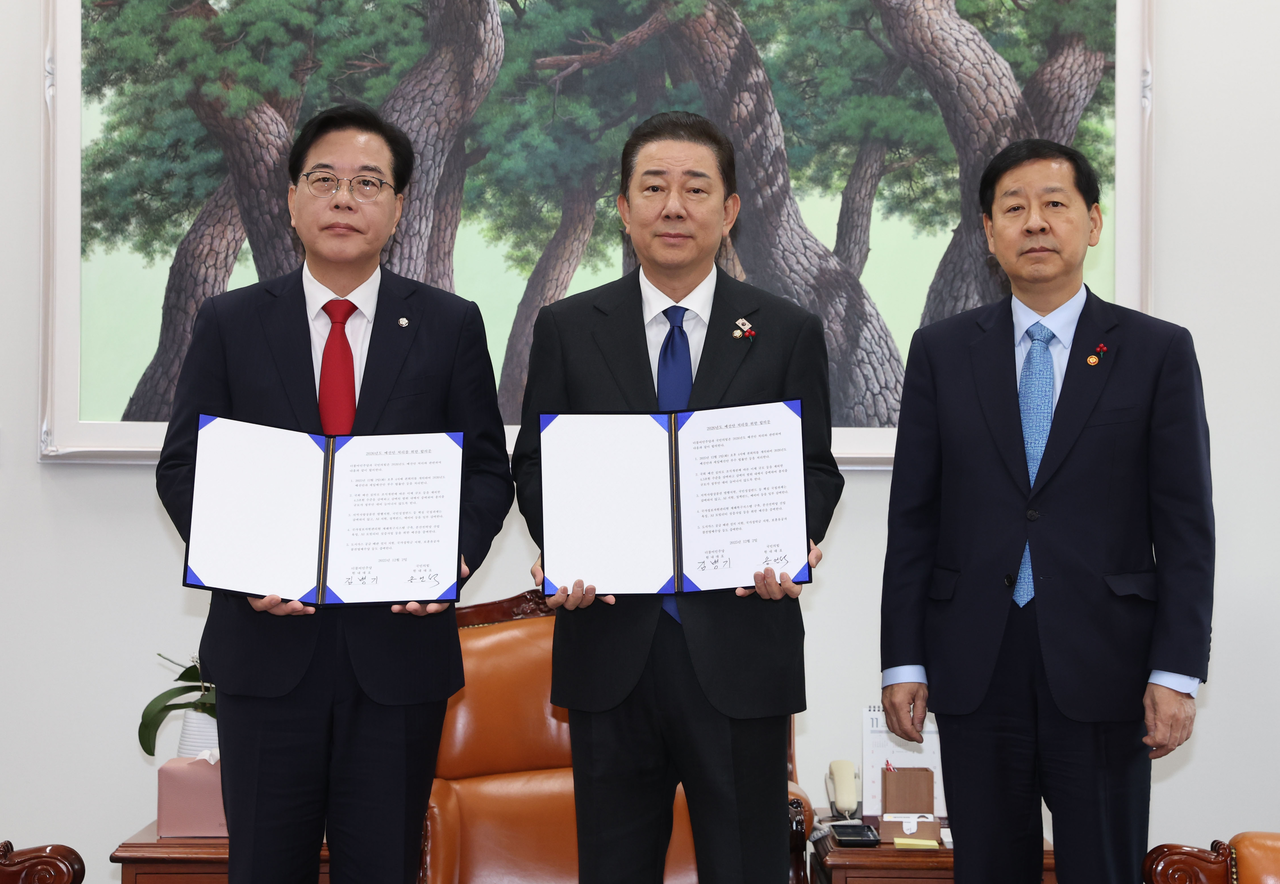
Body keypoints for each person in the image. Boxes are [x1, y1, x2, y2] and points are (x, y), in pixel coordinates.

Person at [156, 104, 513, 884]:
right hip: (265, 657)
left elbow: (488, 470)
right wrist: (242, 566)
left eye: (368, 183)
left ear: (399, 206)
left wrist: (451, 557)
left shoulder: (449, 325)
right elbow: (184, 467)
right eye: (324, 180)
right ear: (291, 200)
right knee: (264, 868)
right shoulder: (231, 322)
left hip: (397, 660)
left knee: (383, 868)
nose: (344, 199)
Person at [511, 111, 844, 884]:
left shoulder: (786, 330)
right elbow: (536, 465)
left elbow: (814, 469)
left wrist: (789, 542)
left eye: (696, 188)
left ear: (729, 210)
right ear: (623, 209)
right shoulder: (567, 328)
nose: (673, 206)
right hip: (609, 647)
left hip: (741, 647)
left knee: (748, 866)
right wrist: (566, 550)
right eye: (653, 187)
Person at [880, 139, 1214, 883]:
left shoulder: (1155, 351)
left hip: (1107, 664)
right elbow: (914, 520)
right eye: (1014, 208)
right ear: (988, 231)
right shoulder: (941, 352)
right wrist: (902, 659)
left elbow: (1186, 528)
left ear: (1092, 223)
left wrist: (1177, 672)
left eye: (1055, 204)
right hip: (976, 661)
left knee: (1103, 868)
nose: (1035, 222)